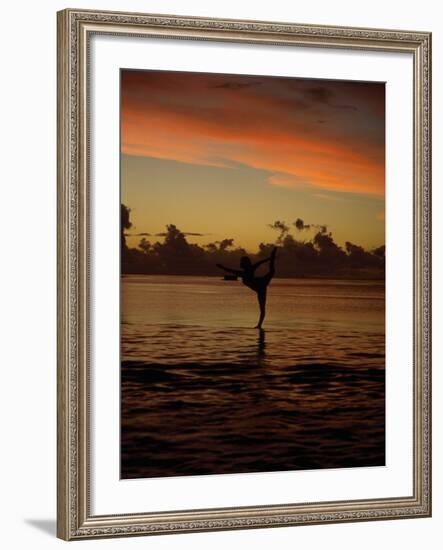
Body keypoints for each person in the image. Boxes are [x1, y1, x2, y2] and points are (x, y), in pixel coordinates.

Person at [216, 247, 277, 329]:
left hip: (260, 285)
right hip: (260, 284)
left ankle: (259, 325)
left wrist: (222, 267)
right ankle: (259, 325)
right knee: (271, 272)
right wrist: (269, 258)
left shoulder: (246, 271)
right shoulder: (246, 271)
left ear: (244, 263)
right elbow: (231, 271)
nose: (240, 263)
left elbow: (231, 270)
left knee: (262, 308)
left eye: (241, 262)